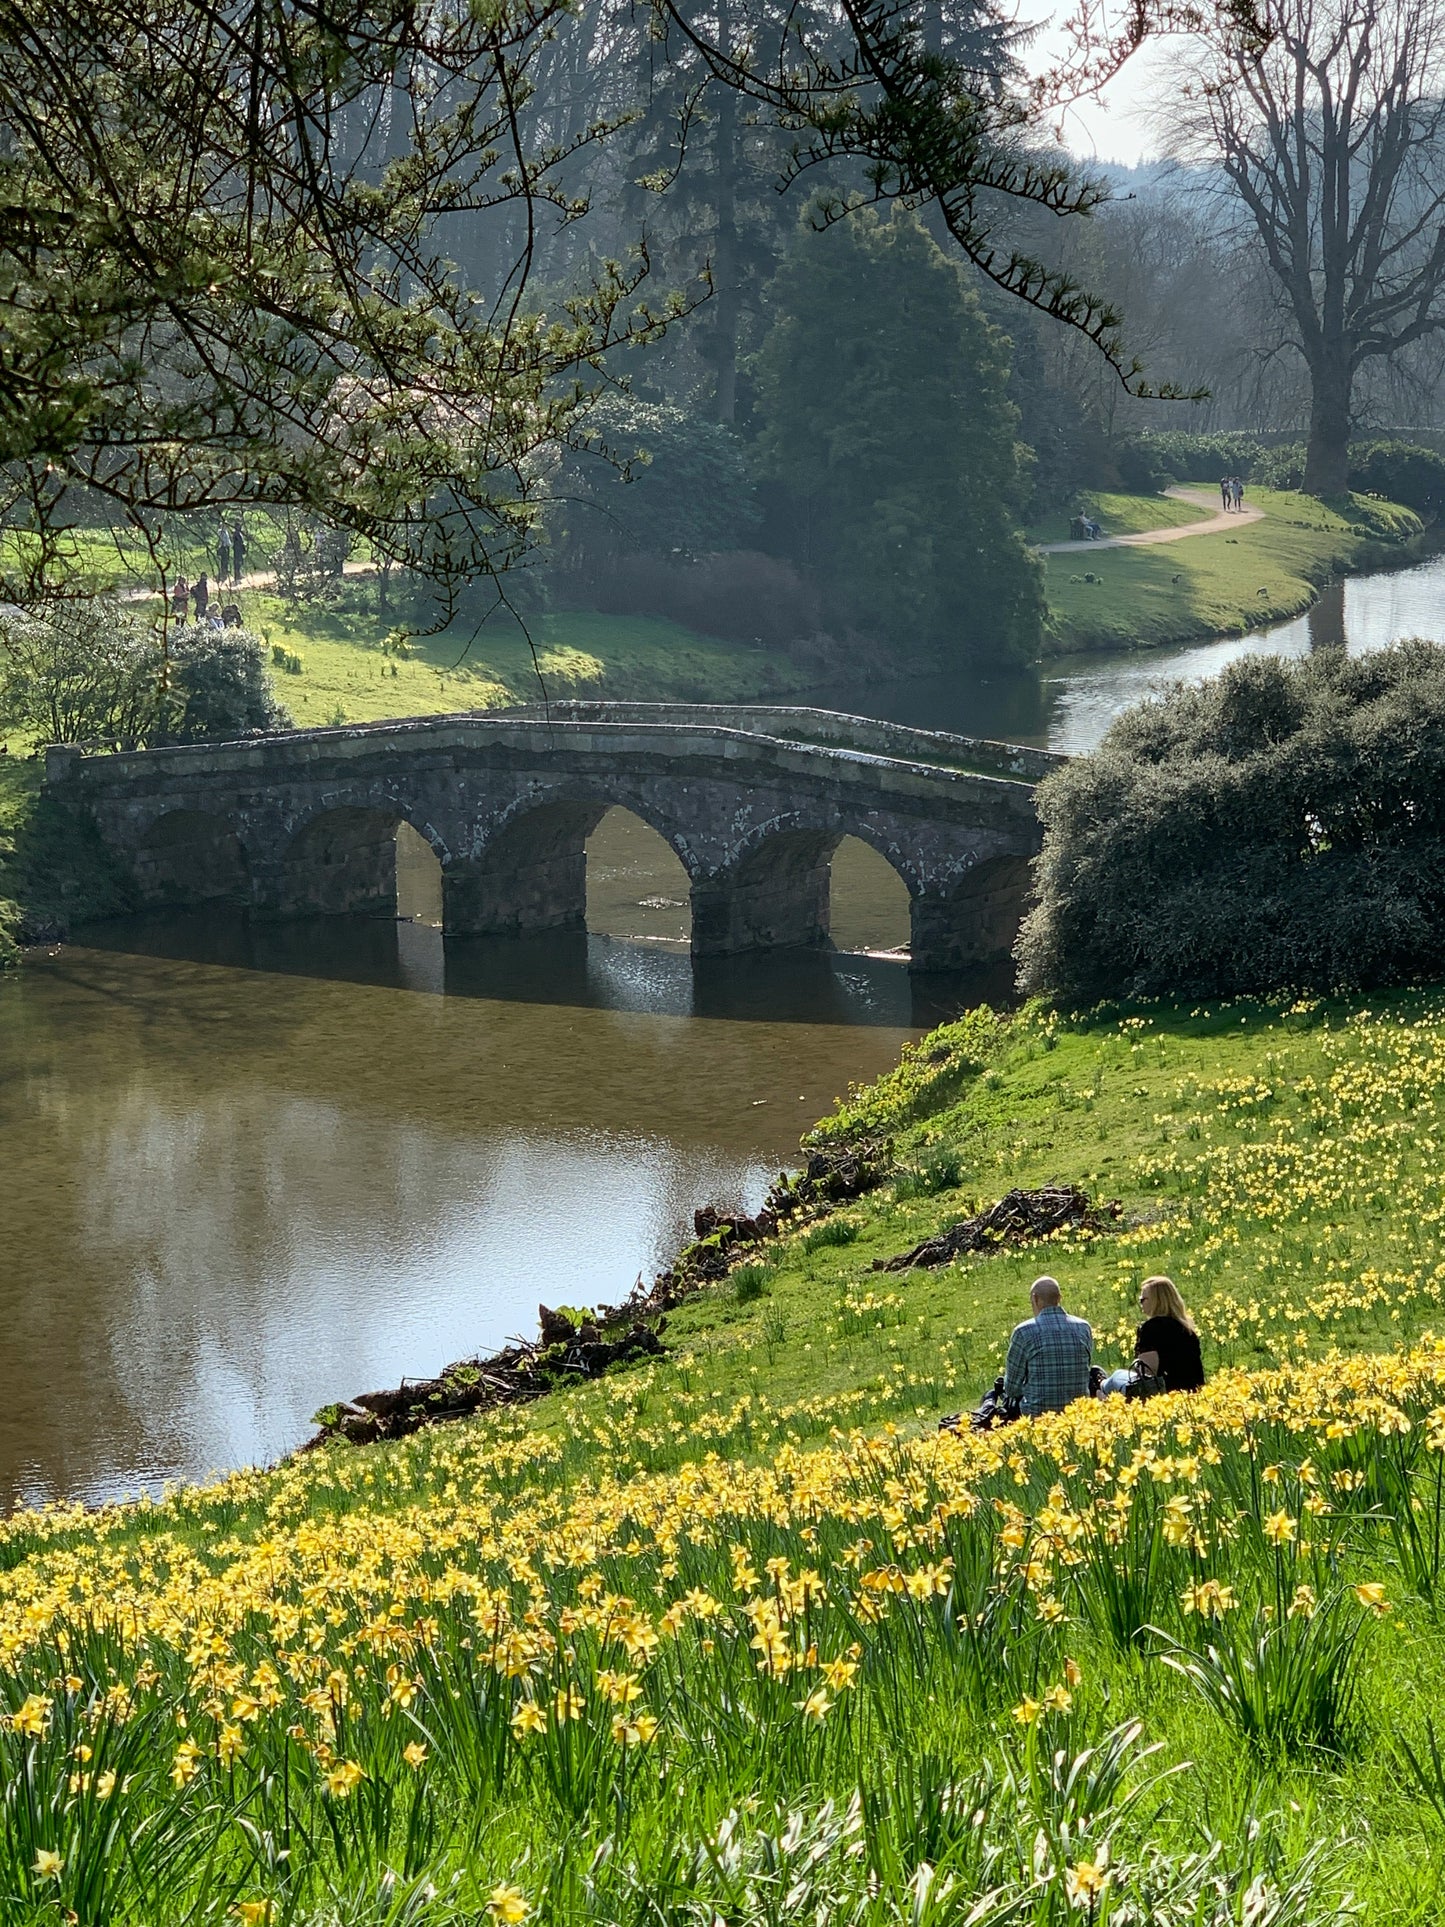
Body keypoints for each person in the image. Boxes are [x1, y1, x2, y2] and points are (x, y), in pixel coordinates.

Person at [1001, 1276, 1094, 1417]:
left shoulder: (1023, 1332)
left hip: (1038, 1418)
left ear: (1035, 1299)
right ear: (1059, 1298)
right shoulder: (1083, 1328)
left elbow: (1012, 1389)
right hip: (1077, 1415)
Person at [1099, 1275, 1205, 1396]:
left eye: (1143, 1299)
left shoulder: (1151, 1327)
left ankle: (1099, 1385)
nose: (1140, 1303)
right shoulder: (1187, 1328)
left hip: (1166, 1394)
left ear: (1157, 1301)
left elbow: (1147, 1373)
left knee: (1116, 1377)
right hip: (1194, 1393)